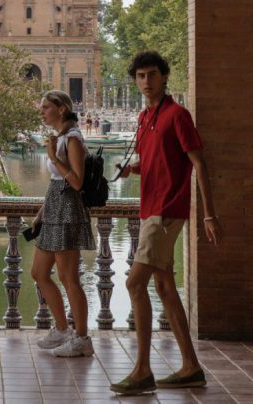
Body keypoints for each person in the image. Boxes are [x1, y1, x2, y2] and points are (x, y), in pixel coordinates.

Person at [110, 51, 223, 394]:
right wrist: (132, 169)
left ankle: (143, 370)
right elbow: (156, 161)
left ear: (164, 77)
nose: (146, 81)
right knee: (164, 287)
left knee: (134, 283)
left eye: (152, 75)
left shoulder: (177, 115)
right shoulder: (146, 117)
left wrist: (209, 214)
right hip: (150, 208)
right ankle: (191, 367)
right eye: (140, 76)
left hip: (166, 210)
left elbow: (198, 163)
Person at [31, 90, 96, 357]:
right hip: (54, 210)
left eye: (46, 107)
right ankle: (61, 329)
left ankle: (82, 338)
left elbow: (77, 182)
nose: (42, 112)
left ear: (61, 109)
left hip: (68, 211)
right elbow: (56, 182)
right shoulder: (59, 138)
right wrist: (41, 213)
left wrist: (55, 157)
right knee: (39, 272)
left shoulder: (73, 139)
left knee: (69, 278)